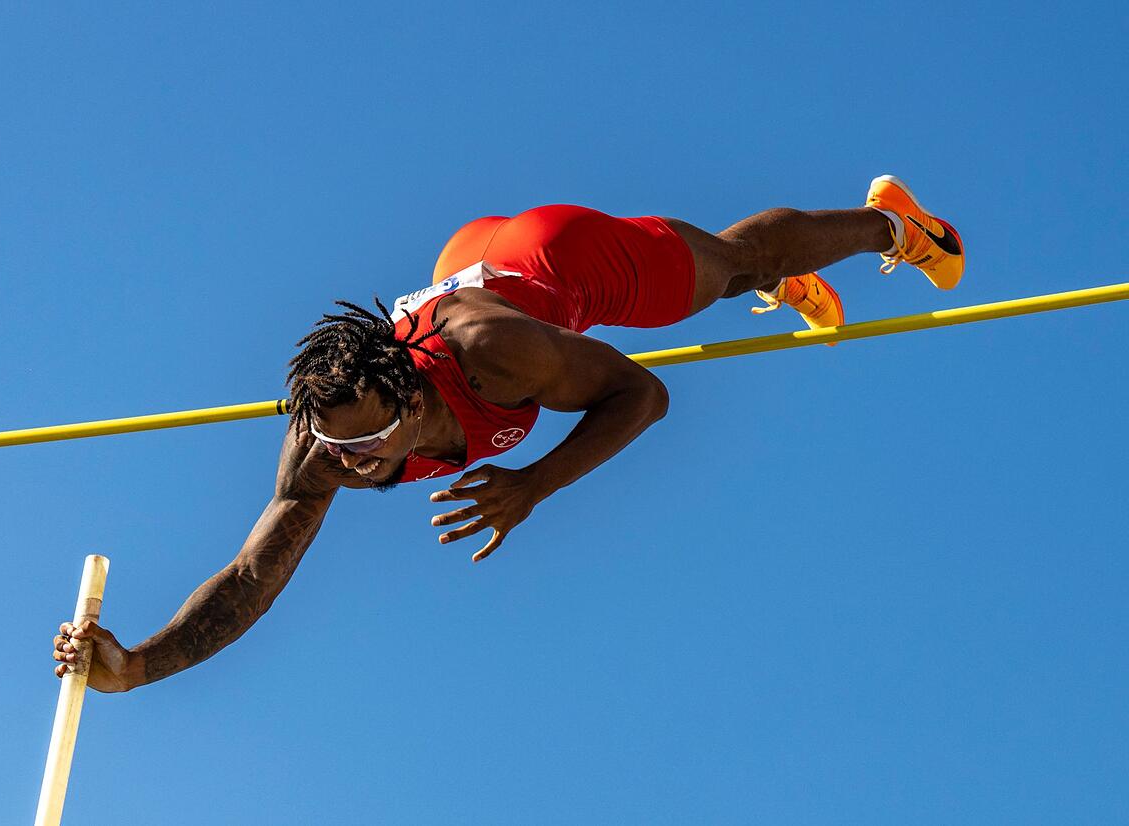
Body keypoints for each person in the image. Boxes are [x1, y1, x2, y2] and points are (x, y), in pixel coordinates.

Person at [53, 175, 963, 692]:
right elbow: (254, 573)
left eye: (365, 445)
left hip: (556, 262)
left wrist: (536, 484)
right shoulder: (322, 450)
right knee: (721, 281)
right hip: (463, 258)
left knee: (730, 267)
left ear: (411, 402)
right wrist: (137, 666)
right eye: (335, 450)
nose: (351, 467)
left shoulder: (499, 359)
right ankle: (780, 278)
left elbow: (641, 398)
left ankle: (896, 222)